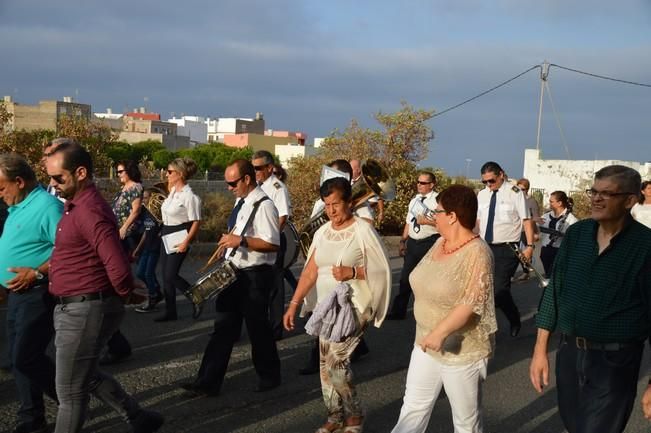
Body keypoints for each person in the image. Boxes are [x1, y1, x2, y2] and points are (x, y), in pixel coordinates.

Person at [46, 141, 163, 433]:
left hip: (85, 308)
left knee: (70, 393)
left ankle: (137, 417)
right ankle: (138, 417)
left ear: (81, 172)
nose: (53, 184)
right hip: (74, 306)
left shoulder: (89, 211)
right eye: (50, 177)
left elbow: (117, 262)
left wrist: (125, 292)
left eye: (58, 178)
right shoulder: (76, 206)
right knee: (83, 375)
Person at [530, 165, 651, 433]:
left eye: (607, 194)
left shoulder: (645, 246)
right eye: (594, 191)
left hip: (616, 362)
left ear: (630, 200)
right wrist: (540, 350)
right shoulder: (577, 234)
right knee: (575, 426)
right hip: (570, 354)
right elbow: (554, 291)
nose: (596, 198)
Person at [284, 177, 391, 433]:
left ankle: (355, 414)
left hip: (355, 308)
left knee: (336, 365)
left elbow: (382, 270)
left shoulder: (362, 230)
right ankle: (335, 416)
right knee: (324, 367)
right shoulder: (322, 232)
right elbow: (310, 271)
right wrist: (294, 304)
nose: (331, 211)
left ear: (348, 202)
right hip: (327, 308)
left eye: (336, 204)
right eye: (326, 205)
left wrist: (353, 271)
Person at [391, 185, 496, 433]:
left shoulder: (479, 252)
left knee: (465, 422)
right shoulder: (439, 243)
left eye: (437, 211)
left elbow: (471, 302)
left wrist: (440, 332)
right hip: (425, 341)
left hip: (462, 350)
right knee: (413, 407)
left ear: (452, 216)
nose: (432, 216)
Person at [181, 159, 281, 396]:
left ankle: (270, 376)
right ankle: (207, 381)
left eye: (232, 182)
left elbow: (273, 244)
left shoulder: (265, 205)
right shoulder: (242, 201)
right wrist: (228, 247)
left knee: (258, 328)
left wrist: (241, 241)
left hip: (255, 275)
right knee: (223, 328)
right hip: (234, 272)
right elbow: (239, 233)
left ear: (247, 179)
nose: (228, 187)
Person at [0, 153, 61, 433]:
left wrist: (36, 272)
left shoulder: (47, 206)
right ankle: (31, 418)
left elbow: (66, 250)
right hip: (15, 294)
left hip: (37, 293)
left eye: (2, 187)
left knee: (27, 356)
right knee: (17, 358)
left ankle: (71, 401)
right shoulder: (18, 205)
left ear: (19, 181)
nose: (0, 194)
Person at [299, 159, 373, 376]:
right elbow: (311, 233)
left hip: (347, 277)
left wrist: (350, 213)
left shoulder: (361, 205)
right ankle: (351, 351)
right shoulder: (320, 203)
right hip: (324, 268)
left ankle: (323, 362)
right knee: (320, 310)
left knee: (334, 322)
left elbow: (368, 230)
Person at [476, 161, 535, 337]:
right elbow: (479, 221)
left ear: (501, 174)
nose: (488, 185)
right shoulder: (482, 195)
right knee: (482, 288)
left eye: (491, 181)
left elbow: (526, 220)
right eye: (485, 182)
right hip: (484, 246)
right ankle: (485, 329)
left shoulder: (515, 193)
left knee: (499, 289)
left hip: (507, 248)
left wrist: (530, 246)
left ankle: (514, 318)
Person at [386, 171, 439, 320]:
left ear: (431, 185)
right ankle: (398, 311)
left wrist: (427, 222)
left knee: (427, 280)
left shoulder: (437, 201)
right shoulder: (414, 200)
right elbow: (409, 222)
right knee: (405, 278)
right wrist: (403, 241)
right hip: (414, 243)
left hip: (430, 242)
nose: (419, 185)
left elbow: (442, 223)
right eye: (418, 182)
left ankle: (428, 313)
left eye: (423, 183)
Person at [155, 157, 201, 322]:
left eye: (169, 172)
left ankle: (197, 296)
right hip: (166, 233)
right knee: (165, 276)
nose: (166, 174)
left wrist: (186, 242)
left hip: (180, 234)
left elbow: (196, 222)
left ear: (180, 174)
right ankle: (170, 311)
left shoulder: (190, 197)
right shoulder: (173, 192)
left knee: (171, 275)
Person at [252, 150, 292, 340]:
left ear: (270, 168)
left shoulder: (277, 187)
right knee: (260, 282)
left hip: (273, 240)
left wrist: (271, 238)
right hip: (258, 240)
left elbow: (283, 216)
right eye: (253, 168)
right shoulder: (257, 186)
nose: (255, 171)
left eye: (258, 168)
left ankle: (276, 329)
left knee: (276, 286)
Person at [134, 189, 163, 313]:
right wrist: (138, 248)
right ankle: (156, 292)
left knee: (148, 274)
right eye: (143, 198)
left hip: (155, 247)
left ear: (152, 197)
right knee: (140, 273)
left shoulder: (158, 212)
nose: (144, 200)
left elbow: (164, 225)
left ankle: (152, 299)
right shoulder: (145, 212)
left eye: (146, 197)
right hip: (146, 247)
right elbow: (146, 232)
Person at [538, 191, 578, 276]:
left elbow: (574, 240)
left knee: (556, 276)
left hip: (560, 252)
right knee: (548, 275)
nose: (549, 203)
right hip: (545, 251)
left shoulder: (571, 220)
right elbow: (536, 231)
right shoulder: (545, 216)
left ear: (559, 203)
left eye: (551, 201)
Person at [111, 160, 143, 253]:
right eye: (117, 172)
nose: (118, 175)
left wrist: (124, 228)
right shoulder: (124, 187)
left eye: (120, 172)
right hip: (118, 230)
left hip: (127, 233)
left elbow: (136, 210)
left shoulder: (135, 187)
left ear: (129, 171)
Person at [515, 178, 541, 281]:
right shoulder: (514, 198)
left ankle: (526, 273)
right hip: (516, 230)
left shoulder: (531, 201)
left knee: (525, 253)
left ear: (527, 189)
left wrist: (535, 232)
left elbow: (535, 217)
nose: (521, 191)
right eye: (519, 189)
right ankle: (522, 272)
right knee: (516, 253)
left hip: (526, 231)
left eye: (523, 189)